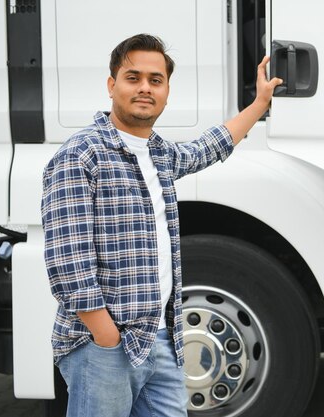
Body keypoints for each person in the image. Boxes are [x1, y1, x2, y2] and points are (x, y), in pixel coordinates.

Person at [41, 33, 282, 417]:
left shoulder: (159, 152)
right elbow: (68, 261)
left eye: (155, 80)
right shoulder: (81, 155)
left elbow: (210, 146)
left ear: (167, 91)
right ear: (111, 85)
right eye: (132, 77)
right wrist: (106, 335)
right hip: (105, 346)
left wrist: (258, 104)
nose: (144, 88)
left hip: (160, 339)